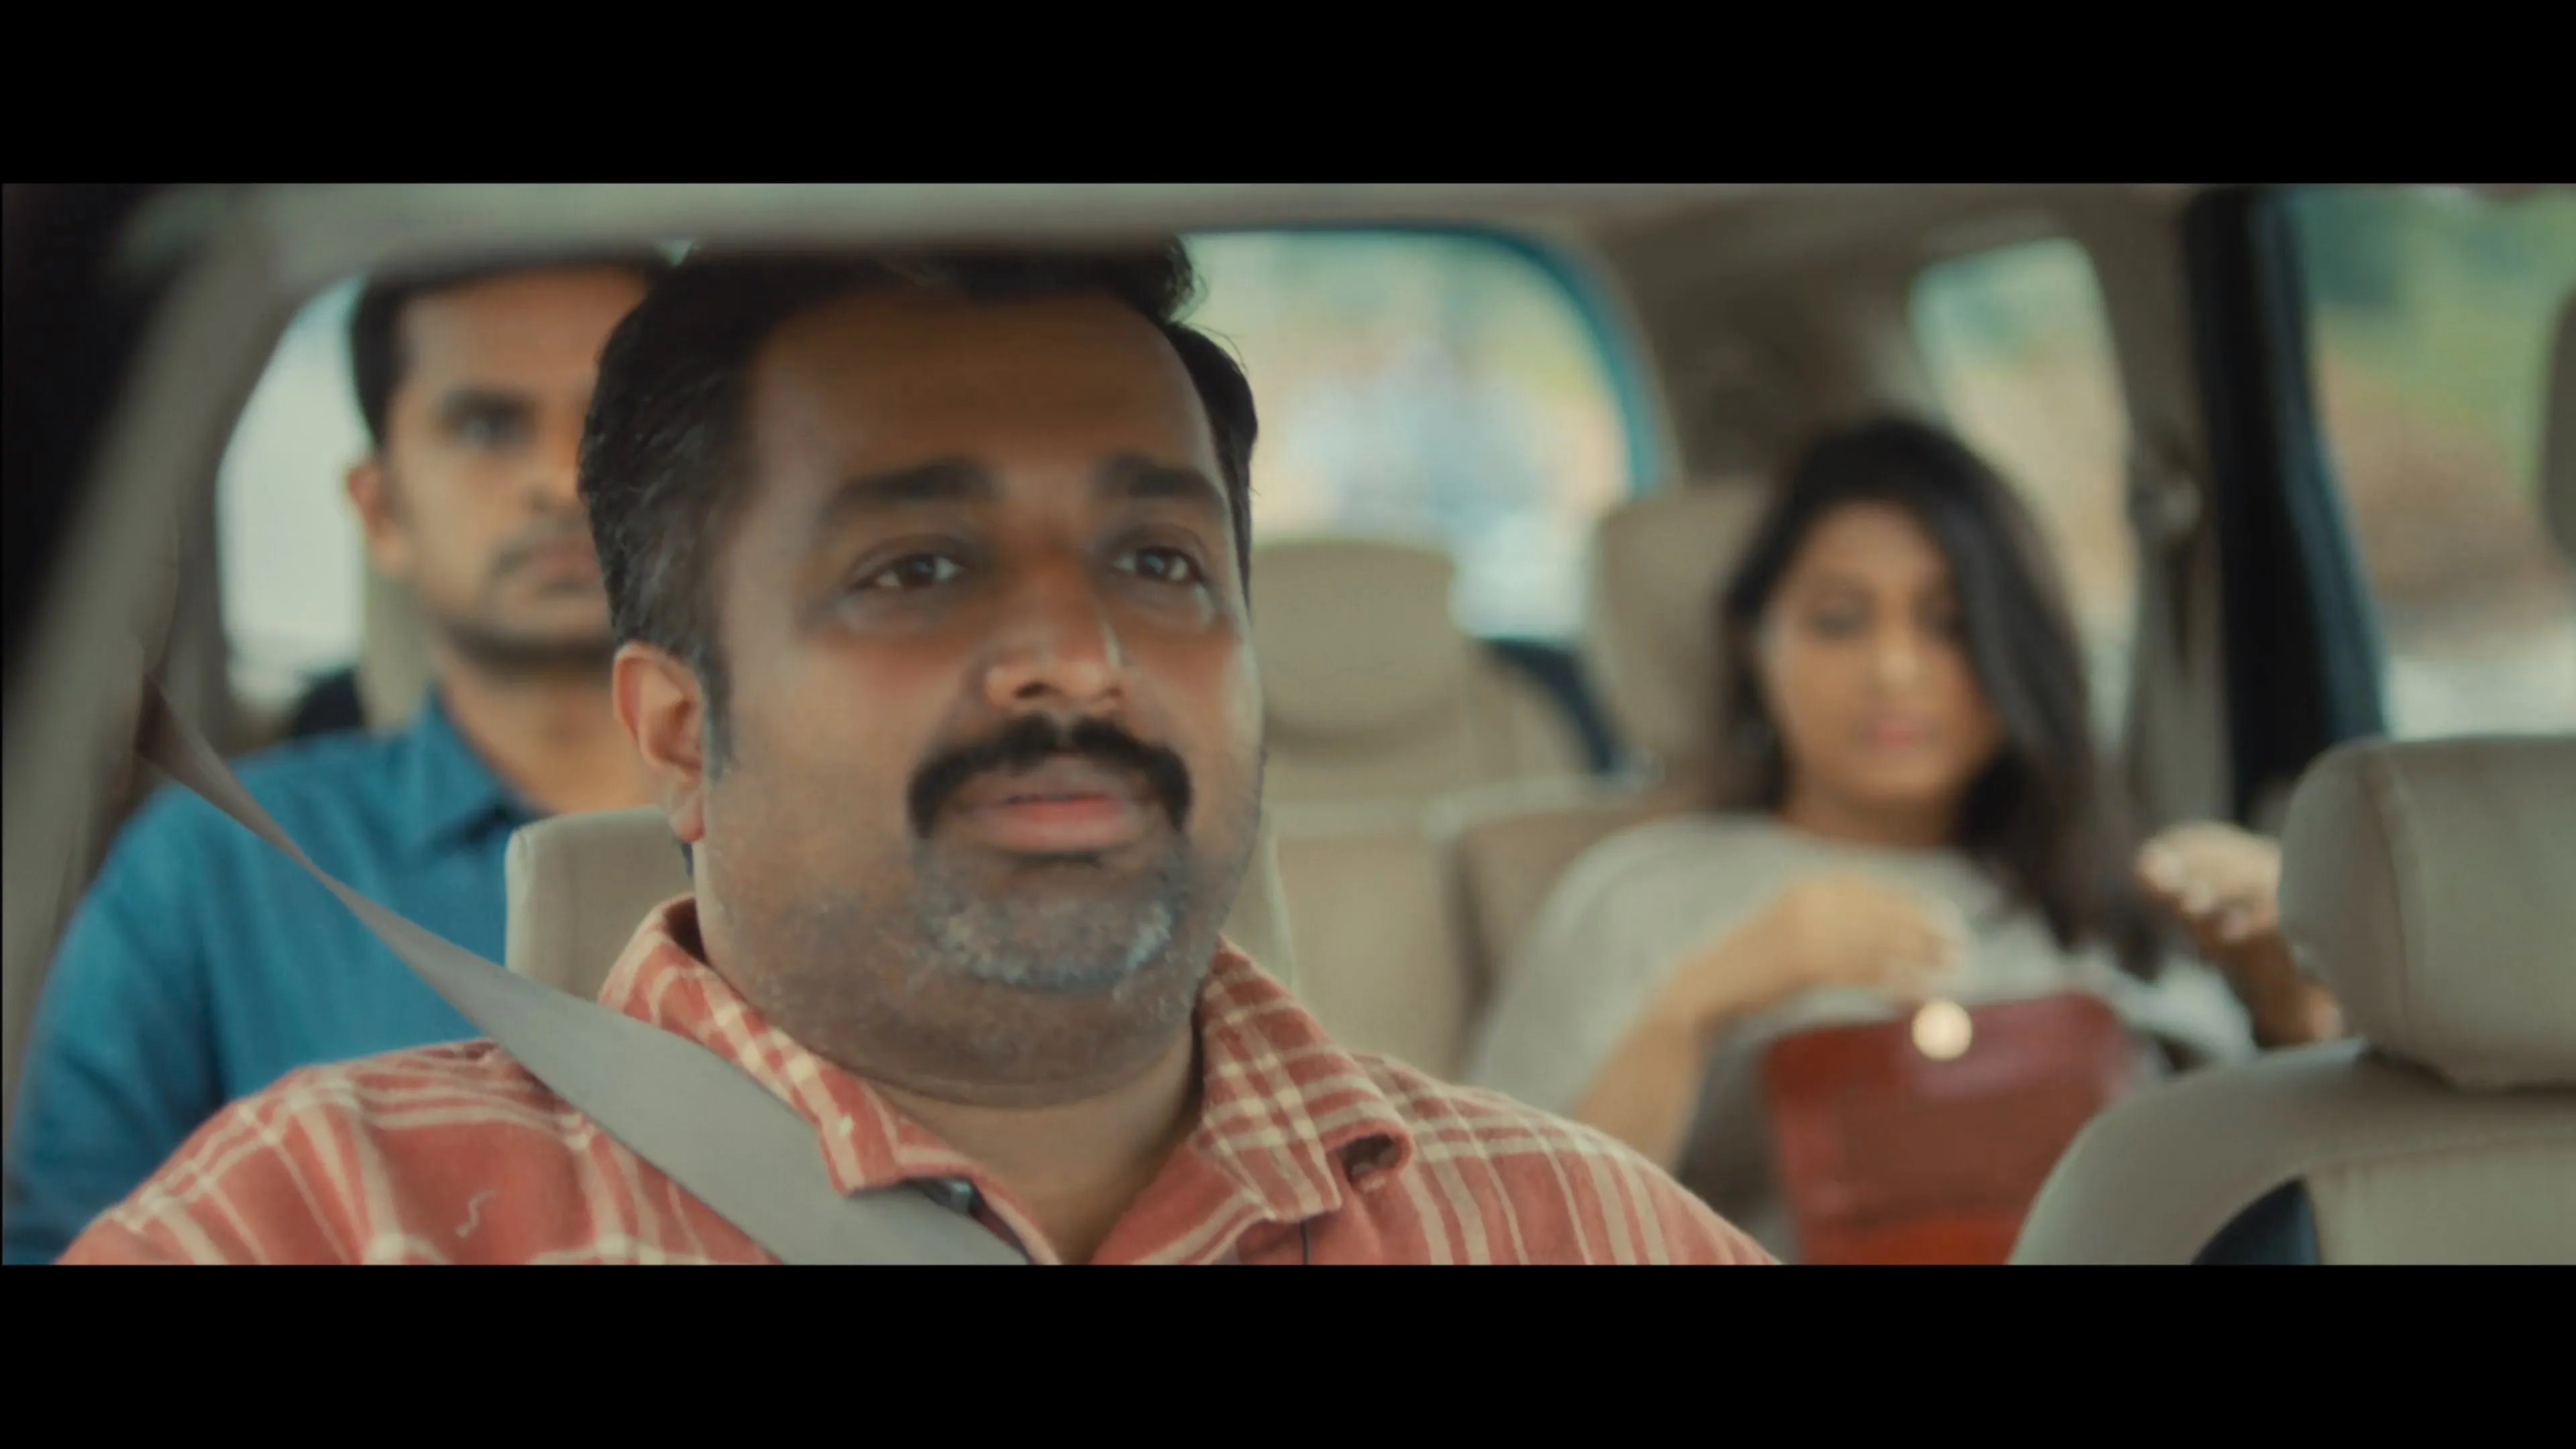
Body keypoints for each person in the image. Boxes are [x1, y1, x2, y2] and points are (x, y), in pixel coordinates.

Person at [52, 243, 1772, 1265]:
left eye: (1160, 561)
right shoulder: (330, 1219)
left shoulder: (1577, 1226)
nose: (1077, 655)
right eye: (917, 569)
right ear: (679, 732)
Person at [1464, 416, 2342, 1261]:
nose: (1894, 669)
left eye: (1949, 624)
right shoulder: (1640, 896)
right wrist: (1690, 1013)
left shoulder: (2119, 895)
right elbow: (1494, 1237)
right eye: (1840, 620)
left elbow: (2267, 1217)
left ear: (2017, 647)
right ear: (1755, 641)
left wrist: (2290, 1006)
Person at [3, 254, 670, 1265]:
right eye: (487, 425)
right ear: (380, 511)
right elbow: (61, 1236)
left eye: (610, 424)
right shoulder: (214, 865)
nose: (557, 476)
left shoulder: (836, 838)